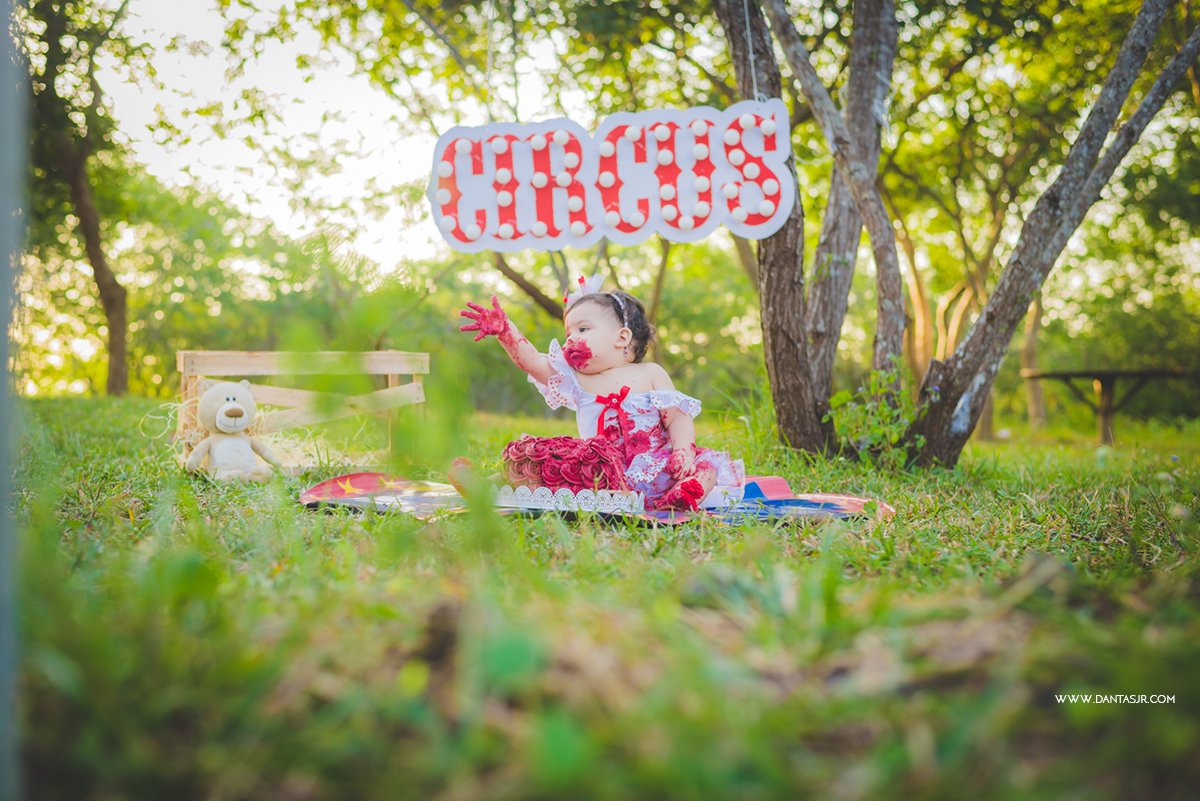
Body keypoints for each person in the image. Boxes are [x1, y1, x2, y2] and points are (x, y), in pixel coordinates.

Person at [459, 275, 743, 511]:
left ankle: (683, 495)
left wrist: (683, 453)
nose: (571, 338)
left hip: (660, 469)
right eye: (568, 332)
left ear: (622, 338)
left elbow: (677, 419)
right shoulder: (575, 377)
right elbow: (533, 362)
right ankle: (488, 485)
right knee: (542, 457)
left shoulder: (650, 374)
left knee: (707, 468)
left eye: (582, 328)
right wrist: (505, 332)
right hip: (598, 472)